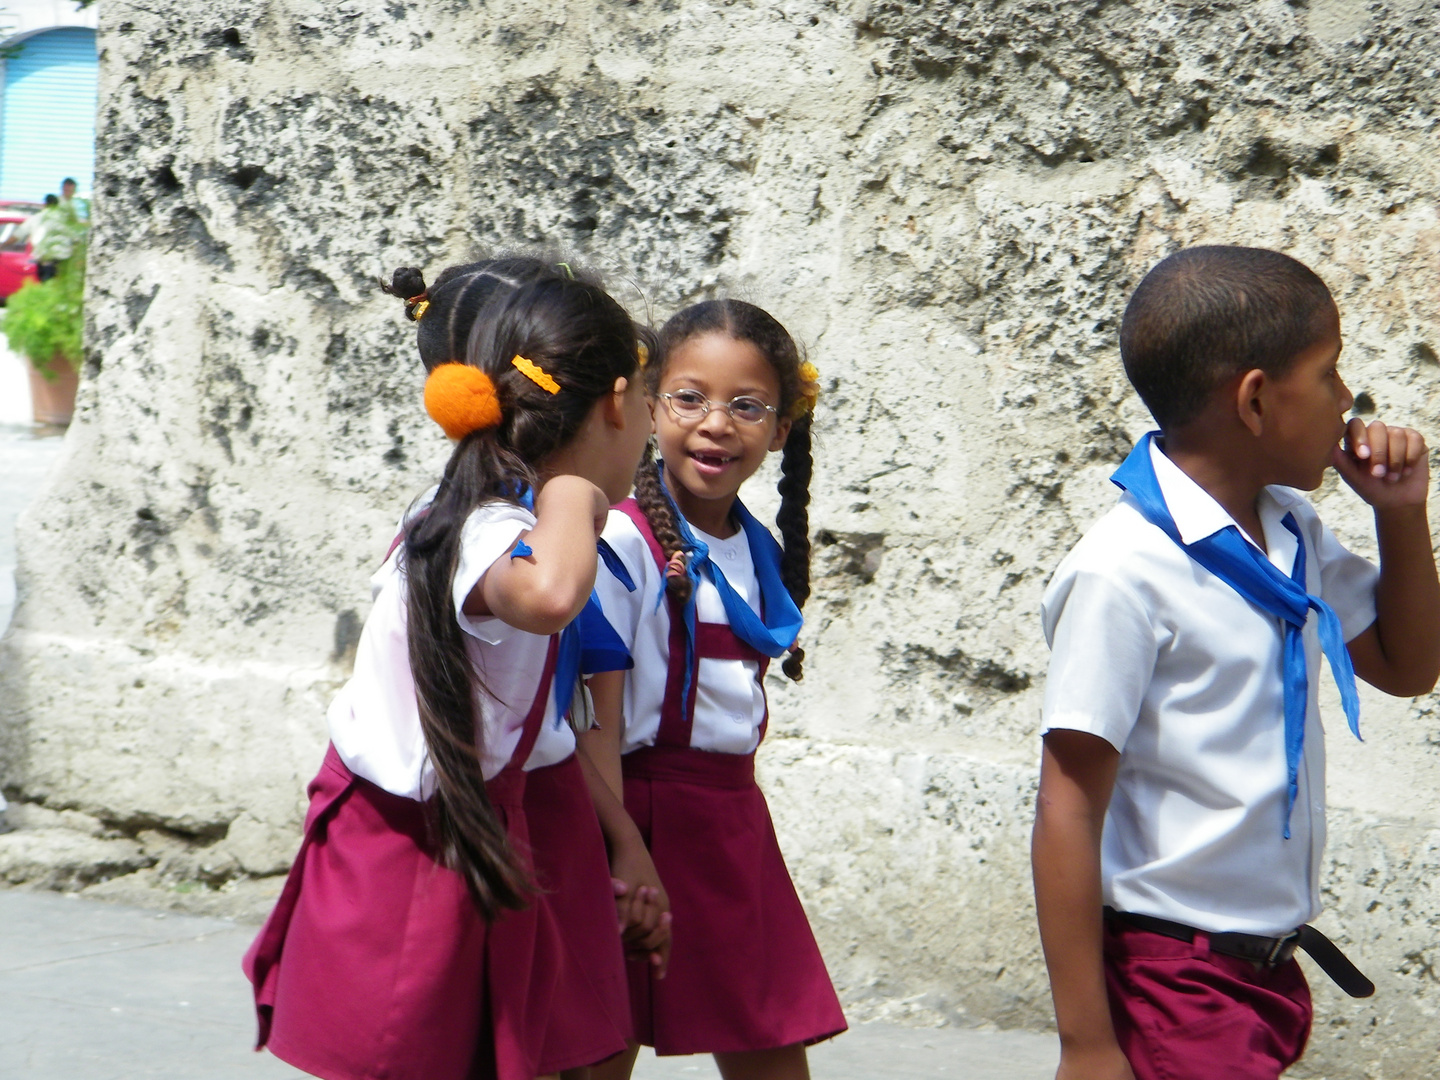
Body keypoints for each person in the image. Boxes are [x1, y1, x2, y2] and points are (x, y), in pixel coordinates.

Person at [244, 259, 664, 1080]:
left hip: (526, 817)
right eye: (650, 403)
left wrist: (620, 842)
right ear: (616, 403)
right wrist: (577, 494)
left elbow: (538, 732)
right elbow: (546, 595)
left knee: (571, 1049)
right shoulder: (481, 529)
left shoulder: (503, 518)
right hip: (419, 843)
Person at [1032, 245, 1440, 1080]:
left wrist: (1401, 515)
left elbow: (1408, 666)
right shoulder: (1124, 573)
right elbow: (1067, 807)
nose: (1347, 400)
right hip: (1172, 978)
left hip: (1264, 973)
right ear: (1255, 401)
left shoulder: (1289, 531)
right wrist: (1087, 1043)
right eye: (1329, 374)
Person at [581, 300, 846, 1080]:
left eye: (747, 406)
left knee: (767, 1034)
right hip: (639, 810)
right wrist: (623, 847)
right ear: (650, 404)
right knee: (600, 1046)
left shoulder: (757, 549)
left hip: (732, 821)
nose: (716, 425)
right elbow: (597, 719)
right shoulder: (623, 540)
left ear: (782, 429)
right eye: (689, 398)